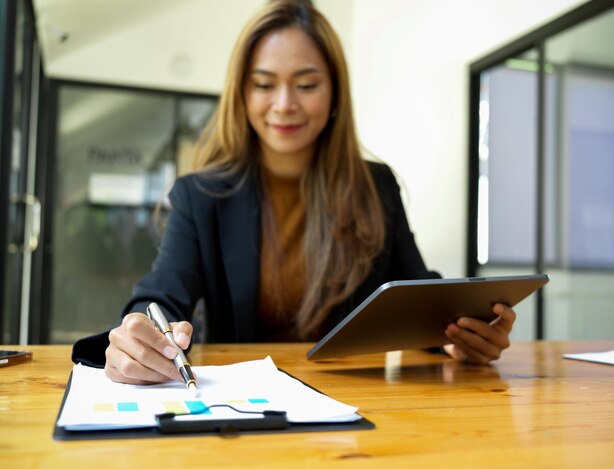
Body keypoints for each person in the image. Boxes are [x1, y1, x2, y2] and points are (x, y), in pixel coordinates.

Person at [72, 0, 516, 385]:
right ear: (242, 94)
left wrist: (462, 334)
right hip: (244, 408)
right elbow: (162, 296)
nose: (284, 104)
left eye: (306, 84)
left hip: (365, 406)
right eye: (264, 84)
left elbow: (417, 295)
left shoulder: (375, 186)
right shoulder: (200, 195)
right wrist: (137, 334)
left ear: (335, 93)